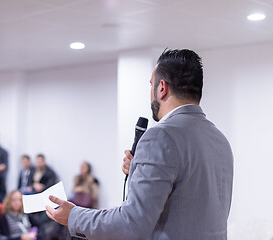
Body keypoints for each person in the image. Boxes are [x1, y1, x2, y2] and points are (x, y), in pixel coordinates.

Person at [45, 49, 234, 239]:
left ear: (162, 88)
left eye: (151, 85)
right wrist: (138, 169)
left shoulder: (160, 136)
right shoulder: (220, 140)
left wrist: (74, 216)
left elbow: (132, 223)